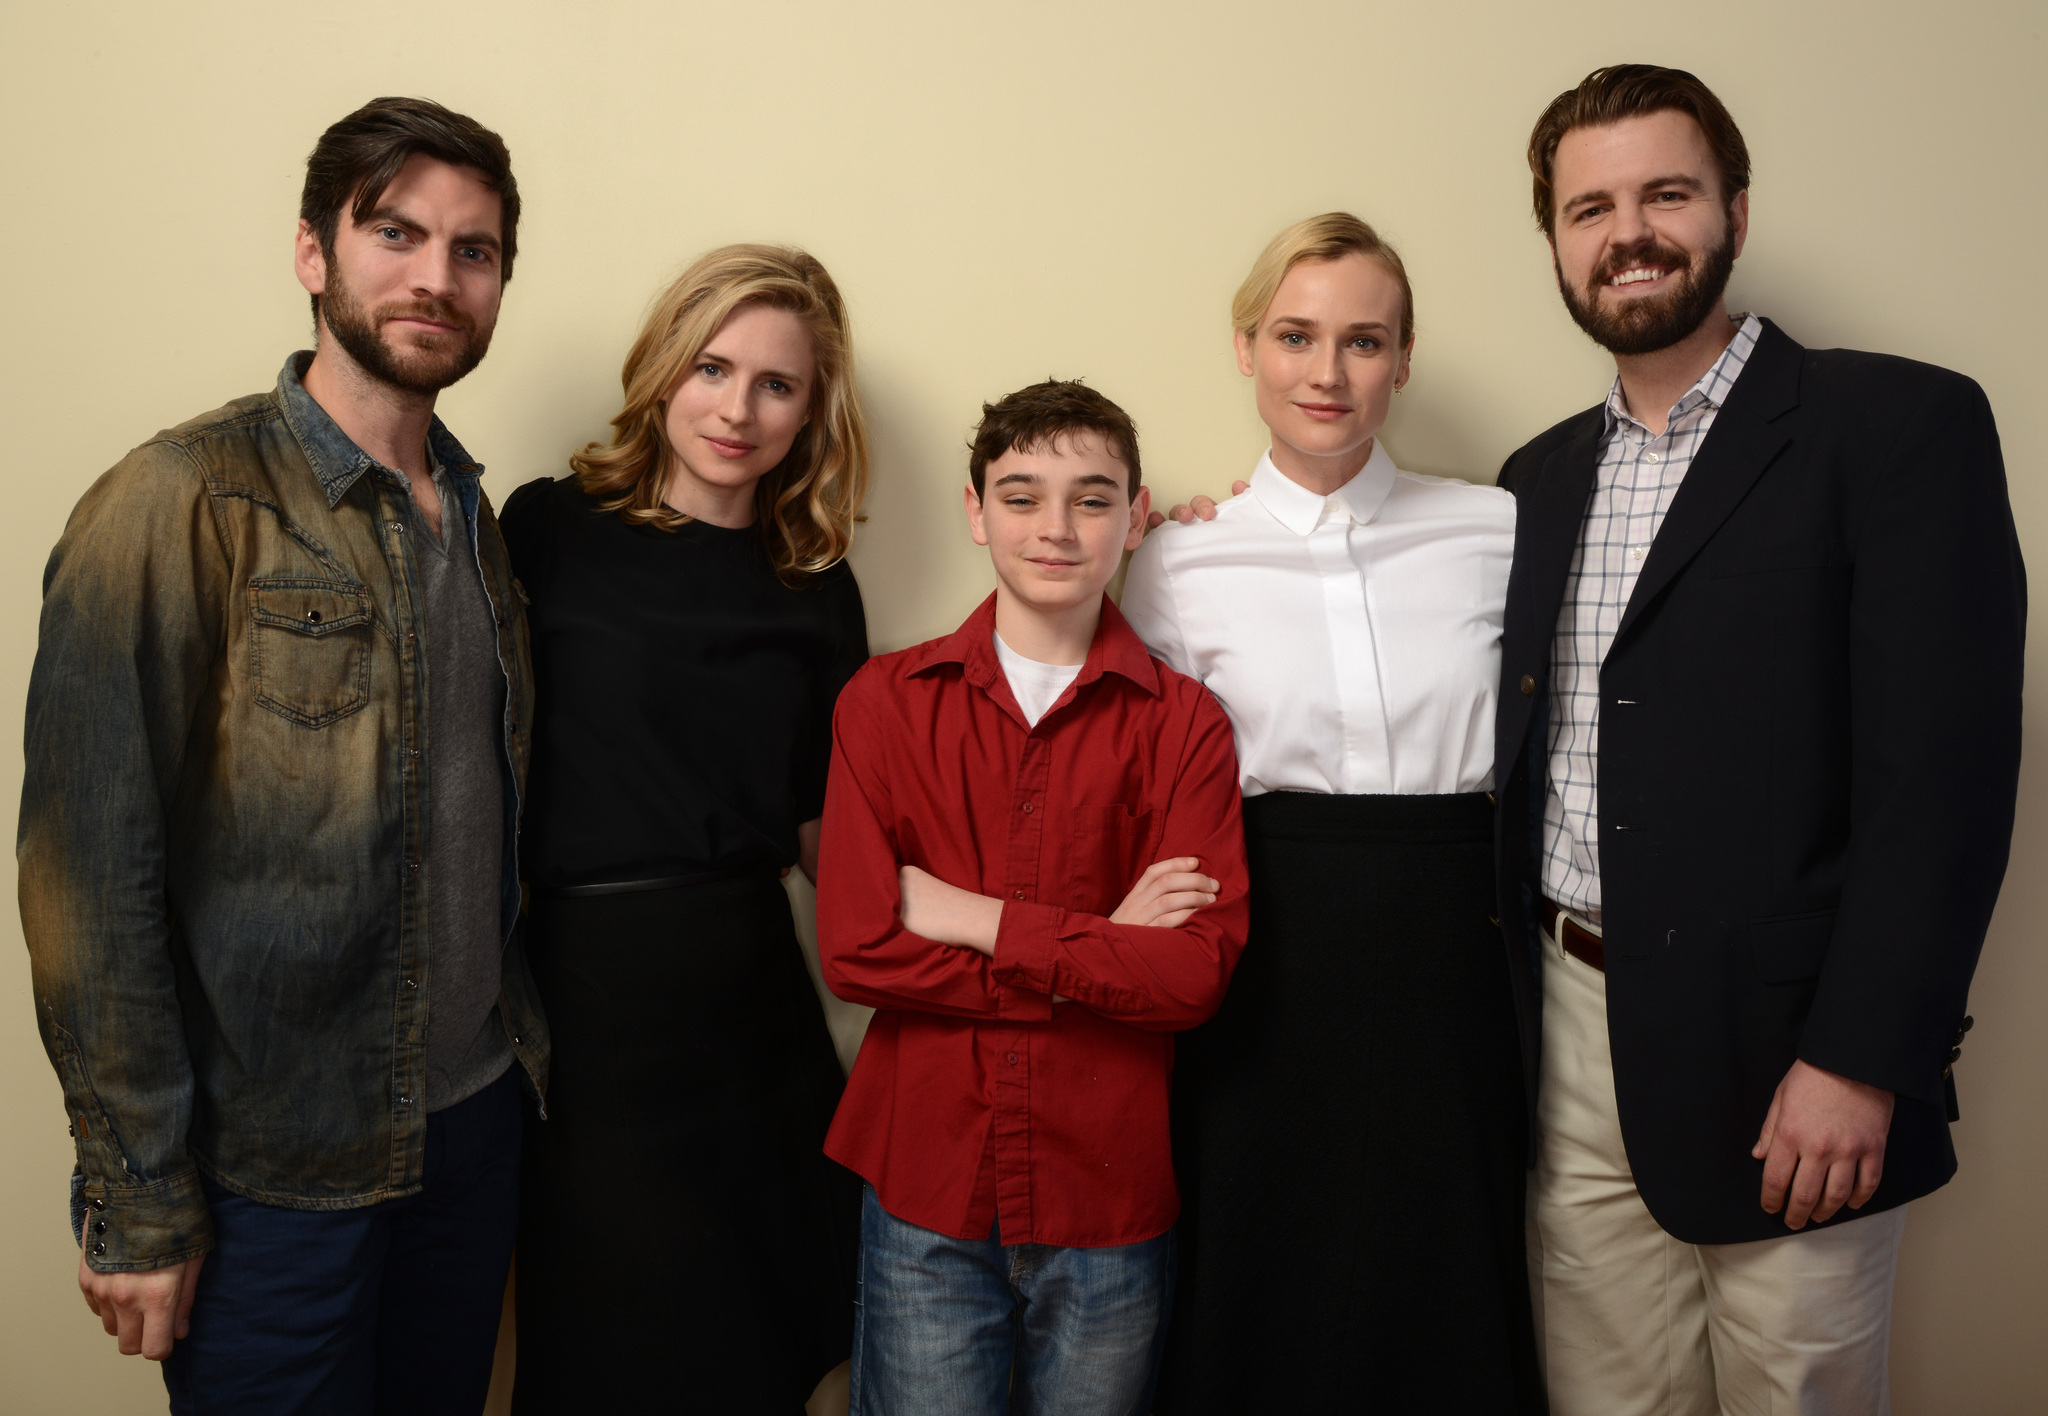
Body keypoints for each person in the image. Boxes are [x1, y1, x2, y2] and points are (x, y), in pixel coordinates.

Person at [1492, 65, 2025, 1413]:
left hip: (1793, 1048)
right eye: (1588, 207)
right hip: (1566, 1031)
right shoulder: (1534, 480)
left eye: (1665, 193)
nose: (1629, 233)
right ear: (1555, 240)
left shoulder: (1899, 428)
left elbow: (1944, 781)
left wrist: (1861, 1055)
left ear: (1732, 207)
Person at [18, 97, 545, 1413]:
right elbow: (87, 874)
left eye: (472, 250)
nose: (435, 276)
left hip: (473, 1134)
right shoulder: (178, 501)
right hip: (274, 1173)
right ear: (314, 252)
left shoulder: (481, 522)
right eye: (396, 232)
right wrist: (139, 1195)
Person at [1120, 214, 1540, 1413]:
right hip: (1264, 947)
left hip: (1455, 946)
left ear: (1403, 360)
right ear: (1245, 348)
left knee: (1449, 1256)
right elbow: (1127, 766)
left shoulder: (1496, 531)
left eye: (1363, 341)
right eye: (1295, 337)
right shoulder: (1168, 559)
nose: (1326, 372)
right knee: (1259, 1260)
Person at [815, 380, 1250, 1416]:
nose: (1055, 528)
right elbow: (856, 951)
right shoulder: (881, 703)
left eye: (1092, 499)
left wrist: (980, 922)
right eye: (1020, 496)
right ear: (974, 512)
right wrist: (1103, 951)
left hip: (1107, 1192)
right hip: (925, 1184)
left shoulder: (1185, 725)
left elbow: (1191, 977)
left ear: (1136, 517)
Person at [499, 244, 870, 1414]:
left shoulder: (814, 581)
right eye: (713, 367)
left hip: (751, 1016)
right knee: (602, 1343)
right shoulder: (545, 528)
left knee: (758, 1347)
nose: (737, 408)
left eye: (778, 384)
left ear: (812, 411)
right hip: (584, 1012)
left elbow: (828, 831)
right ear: (664, 369)